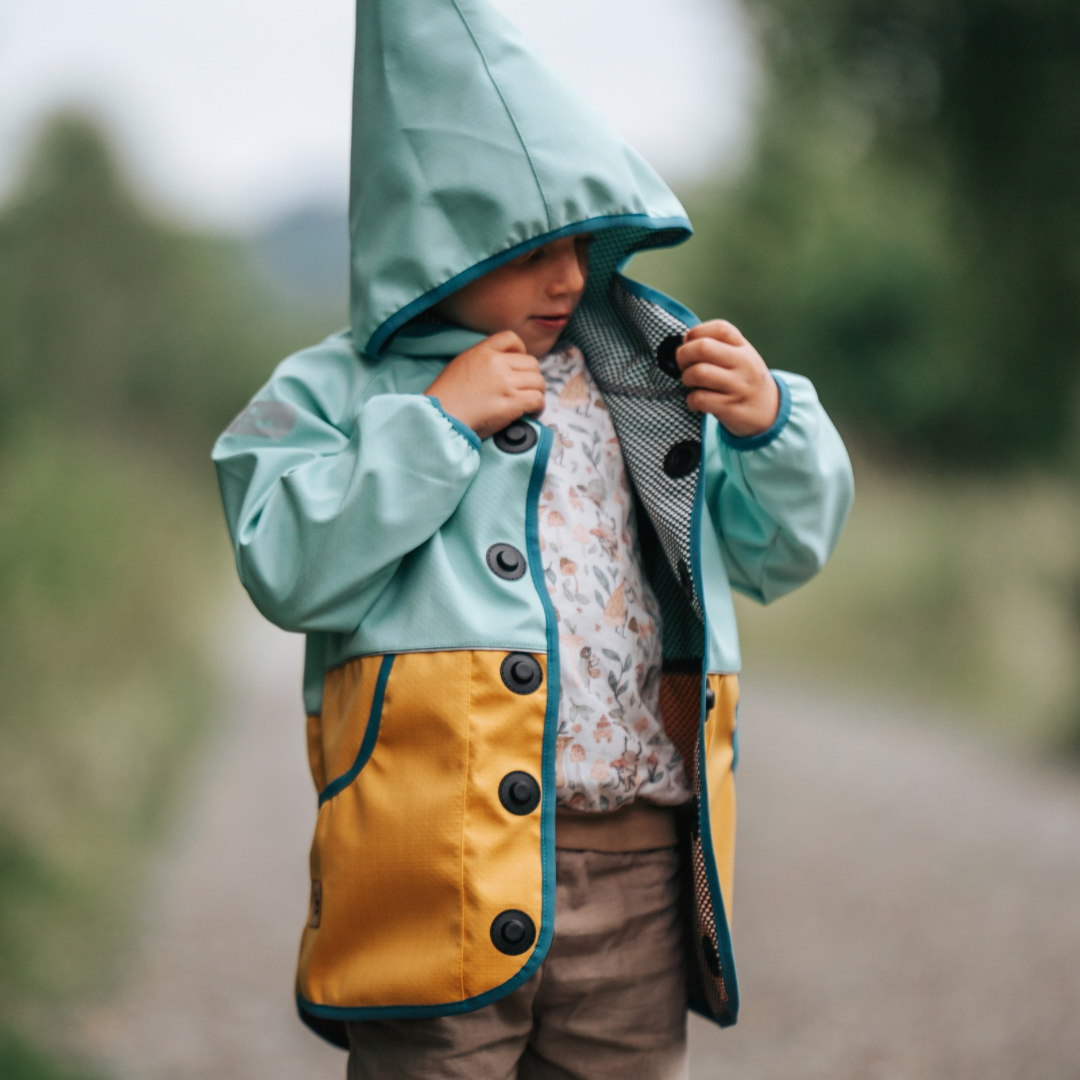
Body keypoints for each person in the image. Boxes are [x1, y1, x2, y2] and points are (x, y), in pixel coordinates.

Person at [212, 0, 854, 1076]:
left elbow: (777, 553)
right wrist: (432, 428)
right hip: (435, 870)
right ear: (439, 235)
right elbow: (285, 566)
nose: (566, 278)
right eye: (527, 249)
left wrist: (771, 426)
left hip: (640, 868)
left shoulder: (650, 371)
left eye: (584, 246)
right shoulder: (326, 394)